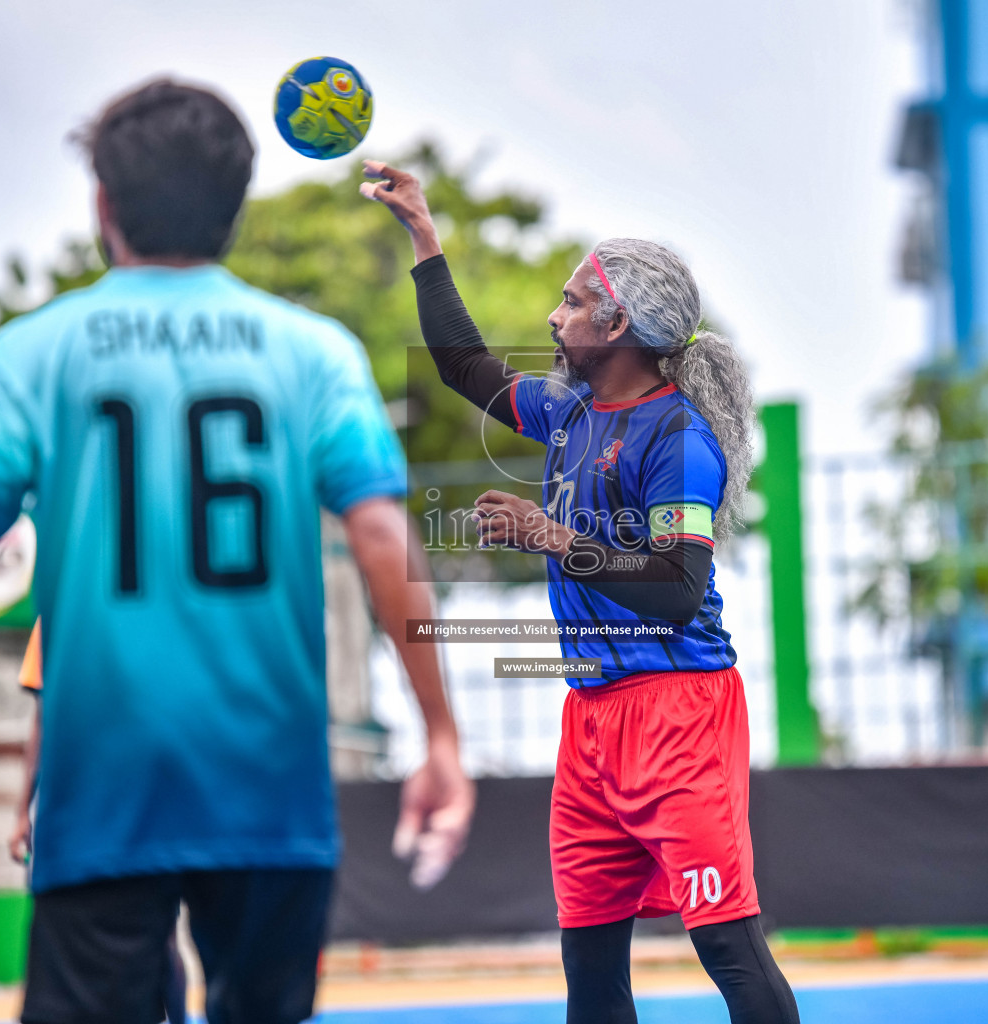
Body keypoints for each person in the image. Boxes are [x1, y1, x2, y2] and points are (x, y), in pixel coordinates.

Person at [0, 80, 474, 1024]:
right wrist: (442, 736)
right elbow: (382, 534)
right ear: (235, 202)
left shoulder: (31, 353)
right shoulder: (317, 353)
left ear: (103, 203)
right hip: (269, 790)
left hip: (104, 791)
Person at [361, 161, 800, 1024]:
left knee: (727, 947)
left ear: (619, 323)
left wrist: (553, 537)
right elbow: (462, 365)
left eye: (569, 302)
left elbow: (679, 590)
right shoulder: (569, 408)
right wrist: (423, 233)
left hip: (680, 711)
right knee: (589, 959)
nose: (553, 318)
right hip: (591, 718)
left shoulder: (679, 438)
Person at [9, 620, 188, 1024]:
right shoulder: (58, 614)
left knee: (161, 935)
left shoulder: (149, 613)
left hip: (136, 795)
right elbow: (42, 719)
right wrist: (23, 810)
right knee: (67, 939)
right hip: (77, 806)